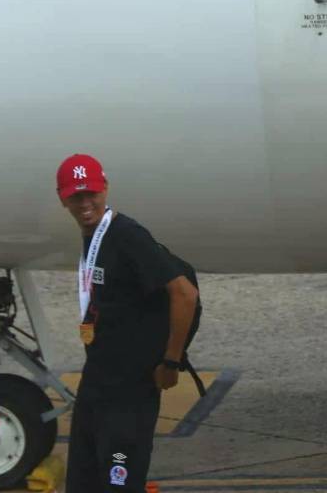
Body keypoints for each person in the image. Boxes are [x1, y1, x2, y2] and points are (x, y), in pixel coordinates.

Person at [57, 154, 199, 493]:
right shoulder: (93, 235)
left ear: (105, 188)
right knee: (81, 483)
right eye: (76, 196)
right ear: (62, 198)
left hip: (129, 395)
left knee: (119, 484)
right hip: (96, 386)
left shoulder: (127, 235)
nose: (85, 202)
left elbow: (185, 294)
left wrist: (170, 361)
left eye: (91, 192)